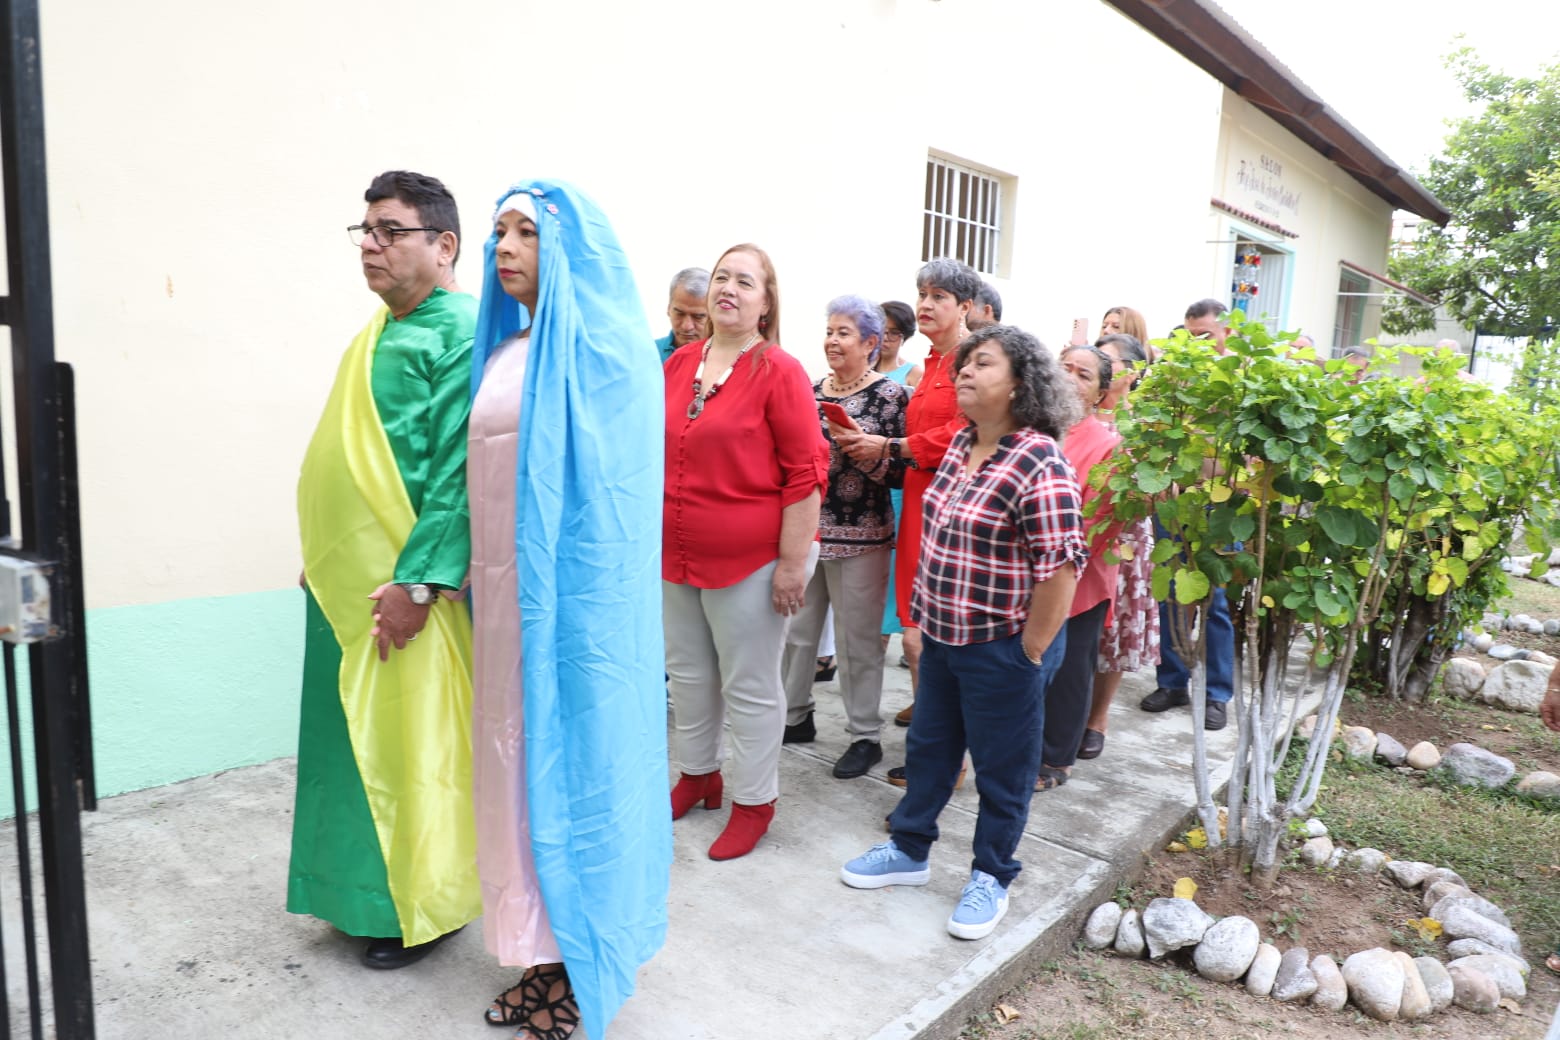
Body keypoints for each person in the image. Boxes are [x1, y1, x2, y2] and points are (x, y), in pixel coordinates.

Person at [466, 180, 671, 1040]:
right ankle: (541, 951)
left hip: (581, 615)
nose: (504, 247)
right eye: (498, 232)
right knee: (515, 775)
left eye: (526, 233)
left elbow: (613, 505)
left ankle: (587, 963)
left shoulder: (611, 353)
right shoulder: (511, 351)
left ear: (573, 250)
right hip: (506, 607)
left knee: (581, 773)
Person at [839, 325, 1084, 941]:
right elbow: (939, 538)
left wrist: (1028, 652)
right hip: (944, 638)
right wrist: (920, 622)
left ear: (1021, 383)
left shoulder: (1038, 457)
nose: (966, 374)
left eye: (983, 364)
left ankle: (992, 874)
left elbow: (1060, 568)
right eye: (964, 364)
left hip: (1003, 647)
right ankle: (910, 849)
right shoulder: (959, 444)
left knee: (1004, 768)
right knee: (930, 749)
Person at [291, 170, 479, 969]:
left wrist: (419, 585)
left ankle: (423, 910)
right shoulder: (374, 332)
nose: (370, 244)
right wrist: (323, 552)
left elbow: (456, 476)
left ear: (444, 246)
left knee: (414, 751)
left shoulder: (462, 332)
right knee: (347, 745)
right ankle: (355, 896)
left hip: (406, 596)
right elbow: (347, 458)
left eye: (389, 230)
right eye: (364, 229)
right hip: (344, 592)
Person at [663, 243, 829, 861]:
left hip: (751, 561)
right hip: (675, 553)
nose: (728, 288)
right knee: (688, 675)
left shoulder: (777, 370)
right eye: (722, 278)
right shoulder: (680, 364)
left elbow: (806, 472)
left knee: (751, 685)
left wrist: (792, 564)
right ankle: (699, 775)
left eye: (745, 282)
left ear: (766, 303)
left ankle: (754, 801)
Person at [834, 258, 982, 783]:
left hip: (952, 511)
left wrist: (895, 445)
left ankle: (945, 761)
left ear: (965, 307)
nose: (924, 305)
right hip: (917, 504)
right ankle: (937, 753)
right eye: (922, 294)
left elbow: (968, 433)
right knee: (919, 641)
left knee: (927, 640)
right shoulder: (931, 362)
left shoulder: (974, 361)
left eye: (938, 296)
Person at [780, 296, 907, 779]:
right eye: (829, 331)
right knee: (797, 633)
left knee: (858, 642)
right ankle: (796, 716)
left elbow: (900, 472)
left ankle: (864, 736)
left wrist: (865, 452)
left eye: (843, 333)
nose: (832, 341)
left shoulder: (891, 397)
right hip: (808, 532)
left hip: (864, 537)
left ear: (871, 343)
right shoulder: (810, 391)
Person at [1139, 298, 1234, 730]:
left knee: (1214, 601)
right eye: (1190, 335)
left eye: (1205, 336)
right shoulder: (1171, 380)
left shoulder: (1241, 382)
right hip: (1174, 502)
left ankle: (1217, 694)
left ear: (1226, 333)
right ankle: (1173, 680)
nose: (1196, 343)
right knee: (1171, 593)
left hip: (1220, 506)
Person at [1035, 346, 1123, 790]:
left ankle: (1056, 758)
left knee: (1070, 667)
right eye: (1063, 368)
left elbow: (1097, 522)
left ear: (1100, 393)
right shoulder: (1034, 429)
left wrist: (1045, 556)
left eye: (1083, 374)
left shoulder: (1107, 446)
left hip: (1079, 576)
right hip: (1025, 571)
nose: (1069, 378)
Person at [1080, 333, 1156, 760]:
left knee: (1114, 629)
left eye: (1107, 362)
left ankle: (1098, 718)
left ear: (1133, 372)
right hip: (1076, 529)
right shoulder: (1073, 415)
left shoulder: (1144, 421)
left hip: (1122, 535)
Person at [875, 300, 921, 646]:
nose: (886, 339)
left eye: (894, 333)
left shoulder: (913, 375)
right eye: (882, 331)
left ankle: (895, 633)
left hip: (896, 479)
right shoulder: (858, 370)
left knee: (893, 571)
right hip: (864, 484)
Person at [655, 267, 710, 364]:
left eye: (698, 317)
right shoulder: (648, 353)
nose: (687, 326)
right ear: (668, 308)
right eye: (679, 313)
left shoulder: (726, 360)